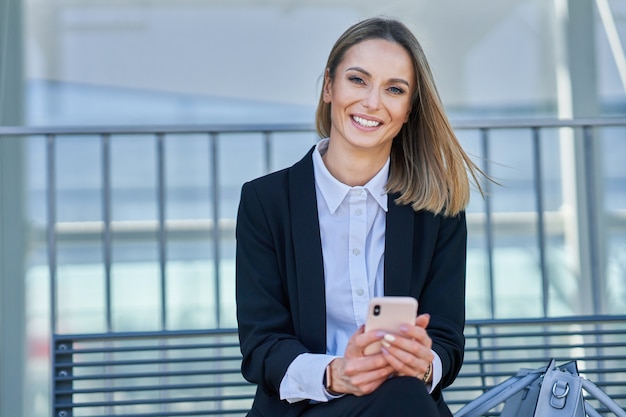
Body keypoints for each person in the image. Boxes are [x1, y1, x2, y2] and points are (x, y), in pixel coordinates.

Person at [236, 16, 484, 417]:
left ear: (408, 111)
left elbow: (446, 341)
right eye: (358, 79)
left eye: (394, 89)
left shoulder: (438, 209)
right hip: (305, 409)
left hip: (403, 402)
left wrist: (424, 365)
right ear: (328, 87)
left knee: (403, 390)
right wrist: (338, 374)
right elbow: (262, 346)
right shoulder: (266, 202)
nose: (372, 102)